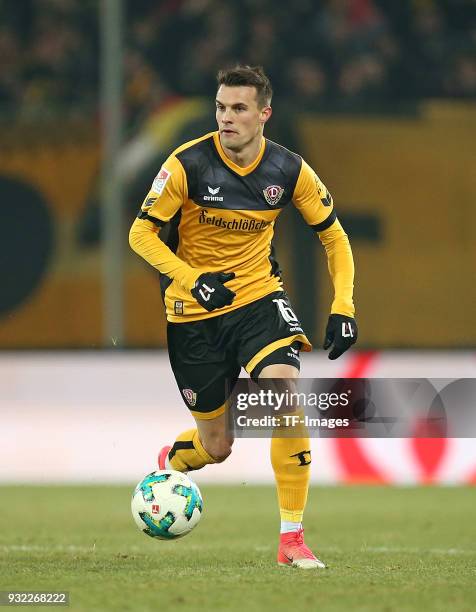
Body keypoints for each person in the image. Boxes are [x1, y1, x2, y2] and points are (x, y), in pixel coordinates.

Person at [129, 65, 357, 569]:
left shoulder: (289, 170)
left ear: (263, 114)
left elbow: (334, 236)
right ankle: (174, 461)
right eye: (220, 107)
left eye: (238, 109)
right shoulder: (187, 164)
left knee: (283, 395)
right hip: (193, 315)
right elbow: (140, 234)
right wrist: (190, 278)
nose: (226, 118)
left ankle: (292, 539)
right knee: (218, 445)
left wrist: (344, 306)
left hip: (257, 299)